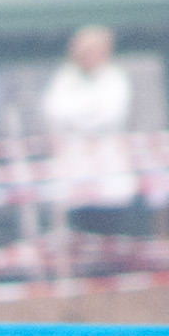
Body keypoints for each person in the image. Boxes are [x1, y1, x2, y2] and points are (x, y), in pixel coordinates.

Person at [43, 23, 138, 236]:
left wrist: (81, 116)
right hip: (75, 168)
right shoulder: (64, 78)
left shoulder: (115, 77)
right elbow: (56, 111)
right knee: (79, 232)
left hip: (108, 168)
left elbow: (111, 114)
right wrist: (87, 113)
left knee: (111, 229)